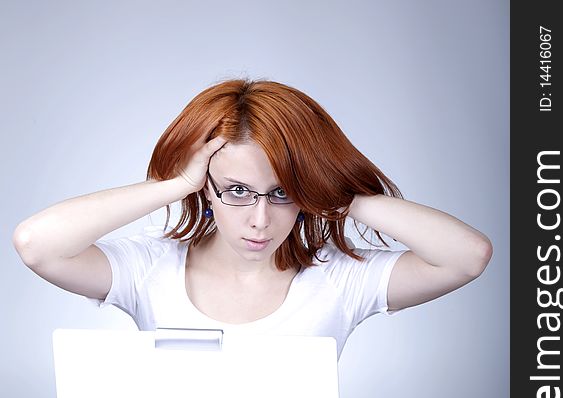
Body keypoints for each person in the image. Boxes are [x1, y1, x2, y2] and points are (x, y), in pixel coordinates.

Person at [12, 78, 492, 360]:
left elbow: (467, 257)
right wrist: (175, 185)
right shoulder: (148, 269)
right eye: (238, 191)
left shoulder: (341, 279)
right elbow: (36, 243)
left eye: (283, 193)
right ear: (208, 188)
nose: (260, 220)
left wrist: (332, 187)